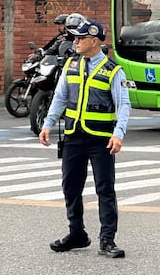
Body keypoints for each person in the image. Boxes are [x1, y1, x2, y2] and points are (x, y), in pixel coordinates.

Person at [38, 19, 131, 258]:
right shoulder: (71, 64)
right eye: (75, 38)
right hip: (73, 137)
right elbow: (59, 98)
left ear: (95, 41)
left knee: (105, 190)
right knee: (70, 187)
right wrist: (47, 125)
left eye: (80, 38)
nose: (76, 42)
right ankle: (77, 233)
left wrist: (118, 134)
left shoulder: (113, 70)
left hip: (101, 140)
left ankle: (107, 239)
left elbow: (123, 105)